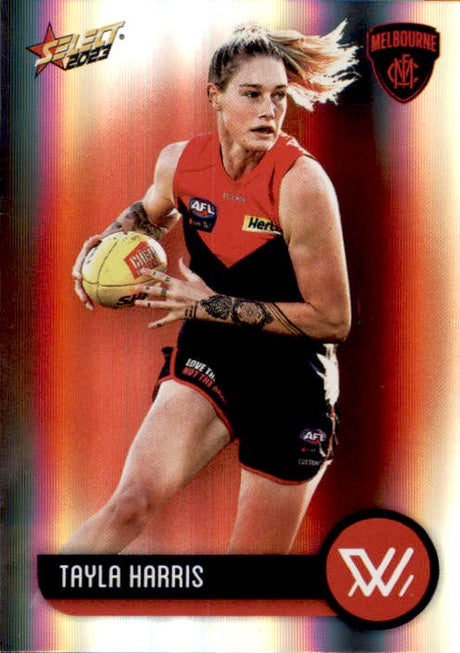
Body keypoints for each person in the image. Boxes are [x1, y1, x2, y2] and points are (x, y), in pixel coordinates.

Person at [65, 22, 356, 555]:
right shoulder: (180, 162)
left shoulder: (301, 184)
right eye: (252, 94)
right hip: (213, 352)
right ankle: (42, 595)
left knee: (246, 577)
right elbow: (149, 214)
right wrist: (103, 249)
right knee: (129, 504)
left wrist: (210, 305)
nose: (269, 110)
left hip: (291, 382)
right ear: (215, 97)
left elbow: (333, 319)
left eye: (278, 96)